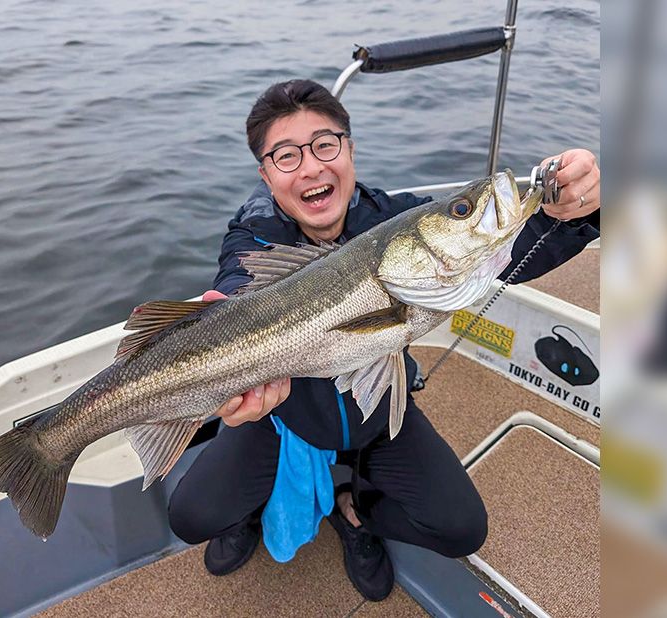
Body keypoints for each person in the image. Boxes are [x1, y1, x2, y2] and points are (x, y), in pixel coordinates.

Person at [168, 79, 601, 601]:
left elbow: (512, 248)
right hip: (281, 417)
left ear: (350, 149)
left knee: (463, 528)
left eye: (325, 144)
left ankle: (357, 511)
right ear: (266, 175)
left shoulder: (397, 220)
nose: (311, 167)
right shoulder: (254, 234)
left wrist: (574, 210)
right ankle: (253, 510)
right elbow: (238, 281)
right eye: (286, 156)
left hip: (379, 415)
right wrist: (225, 324)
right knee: (192, 517)